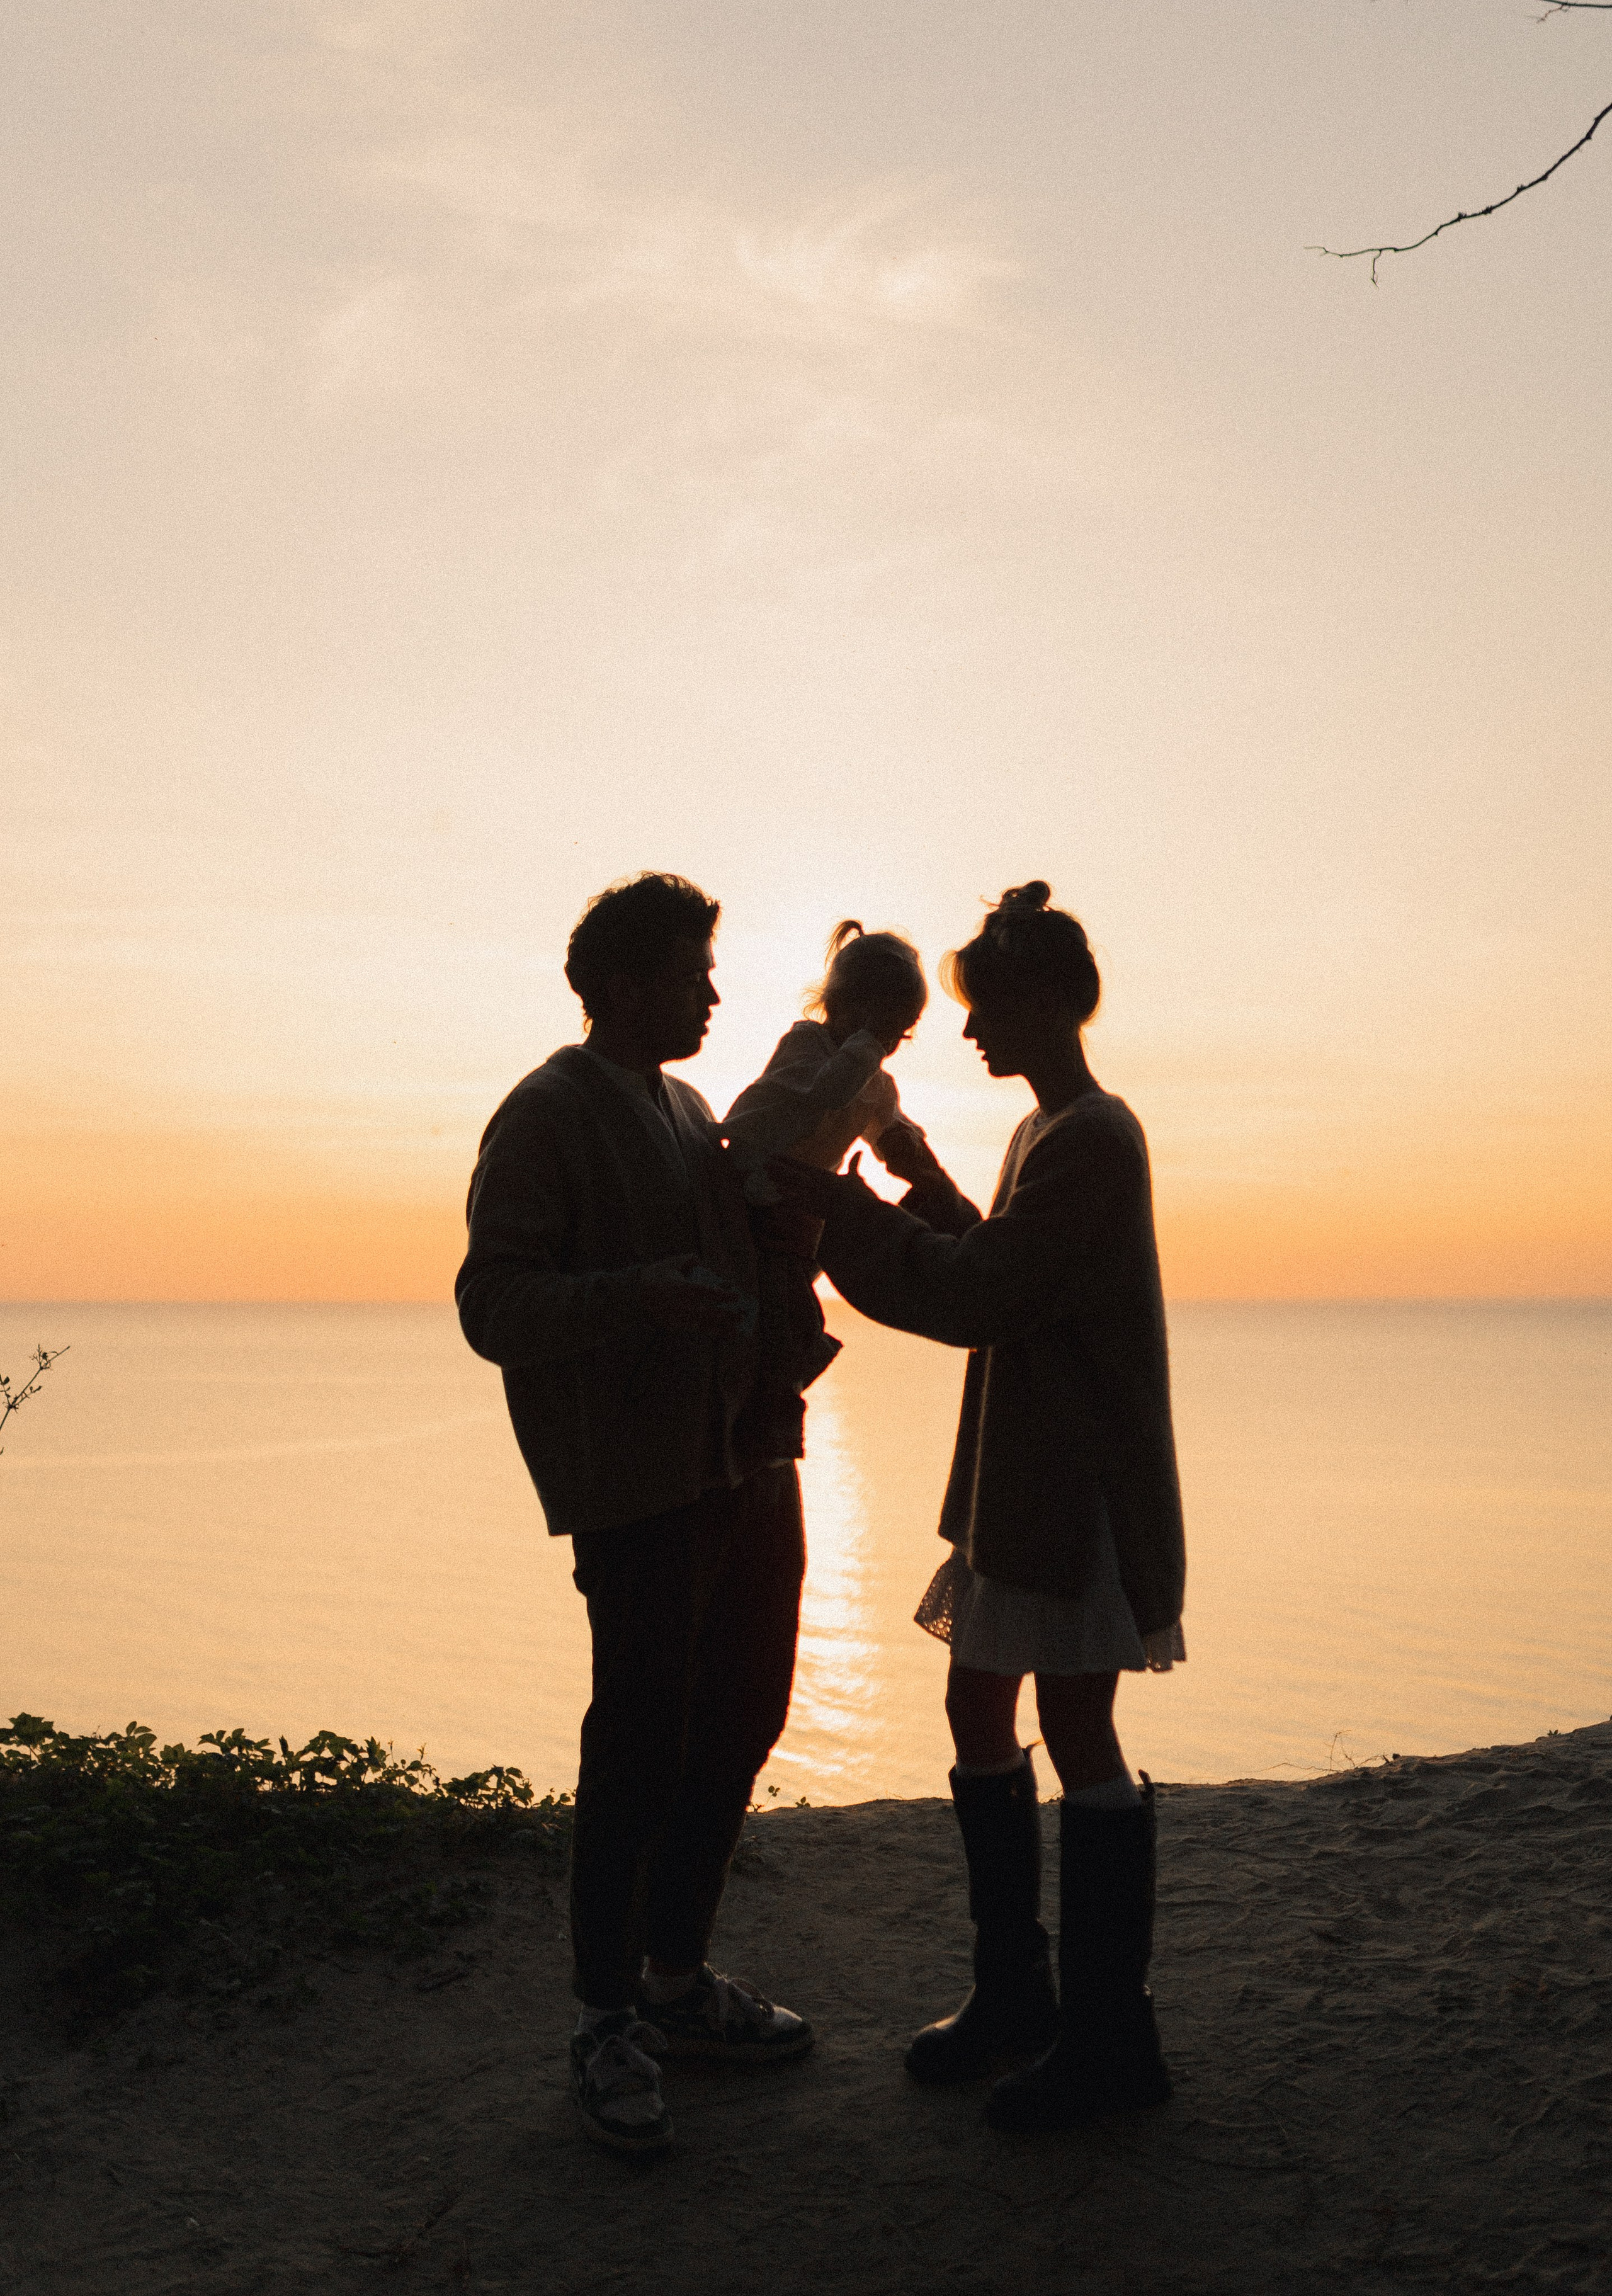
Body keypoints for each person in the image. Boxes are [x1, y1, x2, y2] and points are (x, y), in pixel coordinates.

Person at [771, 881, 1187, 2134]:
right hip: (1025, 1479)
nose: (964, 1032)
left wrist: (834, 1205)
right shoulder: (1050, 1135)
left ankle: (1110, 2036)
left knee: (1076, 1722)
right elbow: (997, 1264)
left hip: (1075, 1486)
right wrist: (912, 1171)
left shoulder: (1093, 1140)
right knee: (976, 1699)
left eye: (983, 1004)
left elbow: (981, 1294)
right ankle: (1017, 1991)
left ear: (1054, 999)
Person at [455, 872, 812, 2157]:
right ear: (614, 985)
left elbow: (733, 1270)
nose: (712, 993)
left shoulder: (693, 1107)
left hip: (744, 1465)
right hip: (639, 1488)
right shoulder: (546, 1114)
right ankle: (605, 2015)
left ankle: (675, 1977)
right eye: (686, 972)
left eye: (709, 970)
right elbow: (492, 1303)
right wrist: (631, 1297)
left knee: (741, 1715)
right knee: (638, 1741)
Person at [720, 921, 929, 1460]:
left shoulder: (873, 1076)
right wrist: (864, 1046)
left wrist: (904, 1143)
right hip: (752, 1185)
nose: (890, 1047)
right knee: (785, 1311)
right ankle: (768, 1421)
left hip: (798, 1206)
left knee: (787, 1306)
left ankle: (770, 1403)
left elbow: (887, 1123)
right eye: (887, 1031)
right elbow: (827, 1094)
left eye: (901, 1036)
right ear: (845, 1009)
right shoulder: (807, 1047)